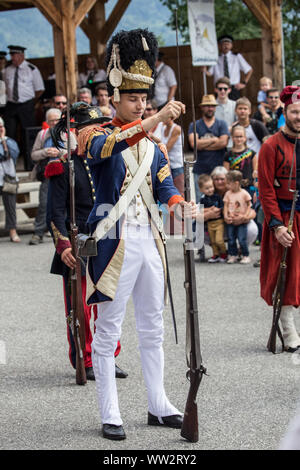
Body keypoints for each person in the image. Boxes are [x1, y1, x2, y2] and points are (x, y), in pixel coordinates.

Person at [71, 28, 197, 441]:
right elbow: (104, 149)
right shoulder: (95, 132)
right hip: (115, 239)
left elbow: (164, 185)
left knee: (153, 326)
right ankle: (110, 412)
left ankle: (158, 404)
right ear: (115, 97)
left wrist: (181, 205)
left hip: (151, 241)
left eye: (145, 99)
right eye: (134, 99)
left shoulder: (154, 143)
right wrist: (154, 121)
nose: (141, 105)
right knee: (108, 330)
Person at [46, 103, 127, 381]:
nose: (95, 132)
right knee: (79, 307)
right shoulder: (61, 166)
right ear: (74, 132)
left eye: (99, 128)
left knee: (106, 303)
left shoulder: (108, 159)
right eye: (88, 129)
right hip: (76, 242)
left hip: (105, 239)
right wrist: (63, 246)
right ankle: (86, 357)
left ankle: (108, 356)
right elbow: (55, 212)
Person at [258, 85, 300, 352]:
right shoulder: (270, 146)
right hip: (285, 217)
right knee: (288, 274)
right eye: (295, 112)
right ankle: (288, 329)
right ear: (285, 112)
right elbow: (265, 189)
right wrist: (276, 225)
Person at [29, 108, 76, 245]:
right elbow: (33, 155)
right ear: (47, 122)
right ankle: (38, 233)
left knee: (65, 204)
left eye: (57, 120)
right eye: (51, 121)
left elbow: (75, 153)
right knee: (44, 204)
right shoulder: (42, 135)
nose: (55, 123)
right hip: (47, 174)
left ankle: (64, 233)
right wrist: (45, 152)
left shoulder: (68, 135)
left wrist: (60, 153)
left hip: (64, 174)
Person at [3, 45, 45, 170]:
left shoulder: (32, 69)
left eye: (15, 55)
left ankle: (31, 163)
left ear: (21, 55)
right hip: (11, 104)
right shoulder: (7, 70)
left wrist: (31, 102)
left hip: (26, 104)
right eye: (11, 56)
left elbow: (40, 89)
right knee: (9, 133)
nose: (12, 58)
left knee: (29, 133)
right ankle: (10, 164)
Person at [188, 94, 229, 204]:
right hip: (200, 169)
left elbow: (223, 142)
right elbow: (194, 144)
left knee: (220, 200)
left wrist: (203, 143)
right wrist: (214, 140)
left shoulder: (222, 124)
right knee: (200, 201)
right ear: (202, 107)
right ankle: (201, 221)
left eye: (212, 106)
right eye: (207, 106)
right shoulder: (194, 125)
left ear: (215, 108)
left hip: (218, 169)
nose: (210, 108)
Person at [204, 35, 253, 100]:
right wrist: (204, 70)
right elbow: (210, 73)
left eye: (228, 44)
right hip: (220, 88)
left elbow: (249, 70)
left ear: (231, 45)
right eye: (224, 44)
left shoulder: (236, 56)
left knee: (234, 107)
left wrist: (244, 83)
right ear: (219, 46)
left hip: (233, 87)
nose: (226, 46)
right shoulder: (216, 58)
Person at [223, 170, 252, 264]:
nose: (227, 186)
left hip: (241, 221)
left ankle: (245, 255)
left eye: (229, 183)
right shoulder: (228, 194)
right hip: (231, 220)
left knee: (241, 239)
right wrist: (226, 216)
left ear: (236, 183)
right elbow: (226, 206)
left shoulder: (244, 193)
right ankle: (233, 255)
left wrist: (245, 216)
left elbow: (249, 205)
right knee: (231, 239)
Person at [0, 116, 20, 242]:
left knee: (11, 207)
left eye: (1, 127)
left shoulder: (9, 141)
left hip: (8, 179)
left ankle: (13, 231)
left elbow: (14, 154)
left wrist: (3, 140)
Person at [198, 174, 226, 263]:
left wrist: (217, 209)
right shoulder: (203, 199)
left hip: (218, 222)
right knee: (213, 241)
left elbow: (221, 206)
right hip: (209, 223)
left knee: (219, 240)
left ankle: (224, 253)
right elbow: (201, 209)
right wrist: (210, 209)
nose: (210, 190)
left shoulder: (217, 197)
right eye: (207, 188)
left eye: (211, 187)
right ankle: (216, 254)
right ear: (201, 190)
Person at [224, 125, 258, 198]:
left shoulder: (252, 153)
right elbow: (226, 174)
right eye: (236, 137)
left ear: (245, 138)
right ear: (232, 138)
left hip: (249, 188)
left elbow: (255, 173)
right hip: (234, 189)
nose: (239, 139)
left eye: (241, 136)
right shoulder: (228, 154)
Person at [152, 117, 184, 196]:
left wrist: (152, 137)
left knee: (179, 192)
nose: (163, 119)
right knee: (168, 191)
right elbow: (161, 142)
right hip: (167, 164)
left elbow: (167, 148)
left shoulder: (176, 129)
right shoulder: (163, 127)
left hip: (177, 165)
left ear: (171, 118)